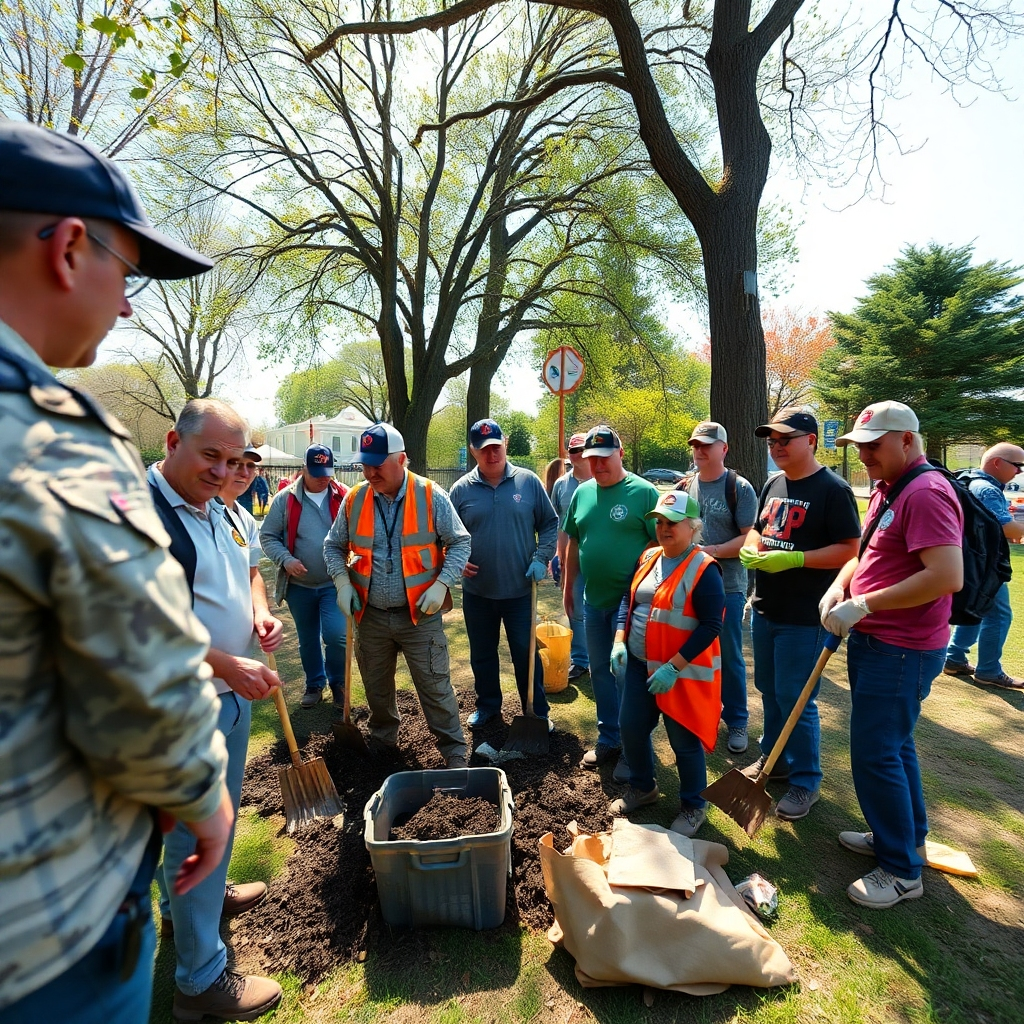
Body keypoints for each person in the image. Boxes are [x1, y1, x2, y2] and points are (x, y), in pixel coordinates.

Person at [0, 121, 233, 1024]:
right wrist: (205, 799)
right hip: (43, 940)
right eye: (126, 275)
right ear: (66, 249)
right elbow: (139, 686)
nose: (127, 305)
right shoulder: (55, 440)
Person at [149, 399, 285, 1021]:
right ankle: (201, 983)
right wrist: (227, 665)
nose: (224, 470)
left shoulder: (218, 509)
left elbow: (245, 574)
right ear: (174, 440)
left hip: (227, 699)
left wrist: (256, 611)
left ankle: (195, 909)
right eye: (212, 456)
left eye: (234, 460)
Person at [821, 401, 964, 908]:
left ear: (907, 440)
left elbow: (947, 576)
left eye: (873, 445)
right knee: (895, 748)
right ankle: (906, 840)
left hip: (902, 650)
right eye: (858, 446)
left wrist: (866, 603)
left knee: (876, 754)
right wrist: (841, 586)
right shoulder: (889, 487)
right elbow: (867, 554)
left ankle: (902, 872)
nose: (863, 455)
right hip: (878, 641)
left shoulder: (926, 491)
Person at [324, 423, 471, 767]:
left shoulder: (431, 495)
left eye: (378, 464)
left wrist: (442, 583)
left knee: (435, 687)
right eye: (365, 464)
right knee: (376, 689)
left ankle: (454, 752)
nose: (370, 472)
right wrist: (342, 583)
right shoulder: (355, 498)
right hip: (371, 616)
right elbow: (333, 546)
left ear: (402, 460)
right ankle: (383, 742)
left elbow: (461, 542)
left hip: (419, 615)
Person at [739, 408, 860, 821]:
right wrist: (753, 546)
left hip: (805, 615)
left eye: (785, 440)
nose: (777, 448)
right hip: (765, 607)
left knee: (797, 697)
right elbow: (759, 526)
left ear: (811, 440)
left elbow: (850, 549)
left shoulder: (833, 489)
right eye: (772, 442)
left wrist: (796, 560)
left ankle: (806, 781)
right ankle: (774, 760)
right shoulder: (773, 481)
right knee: (770, 690)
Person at [610, 492, 724, 837]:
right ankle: (643, 787)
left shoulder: (703, 569)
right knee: (630, 727)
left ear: (693, 527)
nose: (664, 528)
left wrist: (673, 667)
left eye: (672, 523)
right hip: (639, 665)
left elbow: (711, 626)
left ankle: (693, 806)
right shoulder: (647, 557)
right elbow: (628, 599)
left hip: (680, 672)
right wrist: (619, 639)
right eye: (659, 522)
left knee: (683, 742)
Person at [562, 425, 659, 780]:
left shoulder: (644, 493)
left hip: (631, 607)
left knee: (627, 678)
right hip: (593, 601)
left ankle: (634, 753)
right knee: (601, 672)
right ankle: (609, 739)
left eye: (604, 457)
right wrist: (569, 584)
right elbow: (575, 540)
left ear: (620, 454)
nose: (598, 465)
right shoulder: (582, 493)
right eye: (592, 459)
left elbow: (660, 544)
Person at [449, 419, 559, 727]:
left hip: (521, 591)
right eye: (483, 449)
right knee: (482, 655)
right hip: (477, 592)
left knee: (526, 654)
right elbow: (443, 534)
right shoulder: (460, 491)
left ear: (505, 444)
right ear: (473, 451)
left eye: (496, 447)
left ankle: (536, 712)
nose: (491, 454)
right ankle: (488, 708)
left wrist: (541, 557)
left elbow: (549, 524)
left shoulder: (528, 482)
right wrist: (452, 557)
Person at [682, 420, 758, 754]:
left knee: (729, 657)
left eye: (706, 445)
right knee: (695, 654)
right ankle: (701, 716)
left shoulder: (739, 487)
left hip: (727, 586)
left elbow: (750, 538)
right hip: (690, 587)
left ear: (723, 449)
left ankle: (737, 720)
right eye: (696, 446)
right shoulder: (687, 486)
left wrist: (708, 553)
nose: (699, 451)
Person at [260, 443, 350, 708]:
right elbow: (267, 536)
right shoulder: (285, 499)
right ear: (304, 469)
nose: (324, 478)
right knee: (308, 638)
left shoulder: (343, 496)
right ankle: (314, 684)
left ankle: (338, 683)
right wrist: (286, 560)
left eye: (328, 472)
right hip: (299, 586)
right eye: (317, 472)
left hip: (334, 583)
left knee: (337, 636)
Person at [944, 442, 1024, 690]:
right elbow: (1005, 527)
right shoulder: (987, 489)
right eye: (1017, 465)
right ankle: (989, 670)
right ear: (997, 462)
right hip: (984, 563)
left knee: (977, 608)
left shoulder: (969, 481)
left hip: (970, 559)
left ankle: (955, 658)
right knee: (999, 614)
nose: (1019, 472)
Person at [551, 432, 593, 680]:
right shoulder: (561, 485)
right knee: (574, 608)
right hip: (571, 558)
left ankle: (605, 655)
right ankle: (580, 659)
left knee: (602, 609)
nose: (576, 455)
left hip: (599, 560)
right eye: (572, 450)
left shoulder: (602, 480)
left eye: (580, 450)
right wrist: (558, 555)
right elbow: (559, 523)